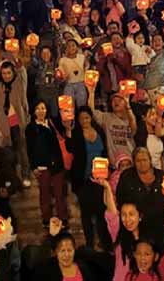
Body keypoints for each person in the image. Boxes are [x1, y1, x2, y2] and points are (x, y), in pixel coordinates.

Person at [63, 106, 112, 251]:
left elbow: (105, 152)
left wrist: (106, 169)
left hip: (99, 178)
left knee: (101, 212)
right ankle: (89, 243)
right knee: (86, 213)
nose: (85, 120)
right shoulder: (77, 133)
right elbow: (70, 147)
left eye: (87, 117)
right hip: (83, 179)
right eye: (81, 118)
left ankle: (105, 242)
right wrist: (68, 130)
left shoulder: (99, 132)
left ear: (91, 118)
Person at [25, 100, 69, 227]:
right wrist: (33, 166)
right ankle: (46, 218)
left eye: (43, 108)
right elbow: (30, 148)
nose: (41, 111)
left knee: (59, 193)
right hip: (42, 165)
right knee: (44, 194)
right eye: (38, 108)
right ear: (33, 111)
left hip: (57, 164)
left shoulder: (52, 122)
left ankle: (63, 218)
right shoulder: (31, 128)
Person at [0, 60, 30, 186]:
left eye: (9, 73)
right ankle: (12, 178)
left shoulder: (18, 84)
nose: (6, 76)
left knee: (22, 151)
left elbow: (22, 74)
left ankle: (25, 176)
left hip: (18, 124)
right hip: (5, 126)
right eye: (4, 73)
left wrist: (15, 58)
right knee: (9, 154)